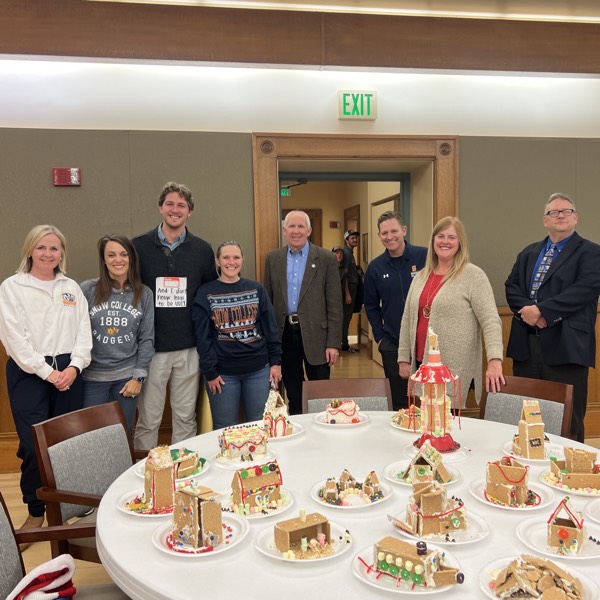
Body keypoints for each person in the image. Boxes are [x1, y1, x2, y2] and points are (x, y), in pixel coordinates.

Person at [0, 225, 92, 531]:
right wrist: (47, 372)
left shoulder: (71, 288)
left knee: (65, 443)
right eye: (41, 247)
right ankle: (36, 511)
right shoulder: (13, 287)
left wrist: (74, 367)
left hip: (68, 371)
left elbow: (83, 334)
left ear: (62, 253)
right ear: (29, 250)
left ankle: (67, 507)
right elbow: (14, 339)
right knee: (32, 444)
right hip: (29, 373)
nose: (48, 254)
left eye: (54, 248)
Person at [505, 193, 600, 442]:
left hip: (567, 347)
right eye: (553, 212)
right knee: (528, 416)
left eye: (566, 211)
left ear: (575, 218)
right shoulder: (529, 252)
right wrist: (530, 312)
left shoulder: (591, 253)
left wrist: (543, 311)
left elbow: (585, 289)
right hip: (527, 345)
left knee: (568, 419)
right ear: (544, 221)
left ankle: (572, 474)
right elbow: (512, 286)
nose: (560, 215)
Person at [132, 182, 217, 450]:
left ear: (189, 212)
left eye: (182, 205)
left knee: (184, 417)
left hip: (189, 348)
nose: (175, 209)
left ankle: (183, 474)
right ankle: (145, 476)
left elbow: (208, 296)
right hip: (152, 347)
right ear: (160, 208)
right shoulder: (138, 247)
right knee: (148, 418)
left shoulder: (203, 250)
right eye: (170, 204)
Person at [398, 216, 504, 407]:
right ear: (433, 241)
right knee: (426, 424)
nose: (445, 241)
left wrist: (495, 359)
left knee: (448, 425)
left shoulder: (473, 276)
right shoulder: (421, 276)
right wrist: (403, 358)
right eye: (440, 236)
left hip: (455, 366)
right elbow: (407, 319)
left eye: (452, 237)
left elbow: (490, 320)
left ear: (460, 243)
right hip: (423, 364)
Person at [192, 241, 282, 429]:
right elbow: (203, 337)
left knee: (258, 425)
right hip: (223, 375)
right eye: (226, 257)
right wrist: (210, 372)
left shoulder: (256, 289)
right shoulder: (205, 293)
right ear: (217, 261)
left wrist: (275, 363)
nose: (231, 262)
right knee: (225, 427)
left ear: (242, 260)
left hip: (259, 370)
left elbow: (270, 328)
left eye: (236, 257)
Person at [263, 210, 342, 415]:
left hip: (318, 336)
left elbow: (335, 304)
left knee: (319, 393)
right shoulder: (273, 259)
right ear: (284, 230)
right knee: (294, 392)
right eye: (291, 226)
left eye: (300, 227)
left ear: (309, 230)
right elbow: (268, 304)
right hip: (285, 334)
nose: (296, 231)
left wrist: (333, 342)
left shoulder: (326, 259)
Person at [80, 235, 155, 437]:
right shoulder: (87, 289)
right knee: (91, 436)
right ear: (103, 260)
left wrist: (138, 378)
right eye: (111, 255)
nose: (117, 260)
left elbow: (146, 339)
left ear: (131, 258)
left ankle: (122, 471)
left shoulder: (144, 294)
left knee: (123, 434)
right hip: (92, 378)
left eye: (123, 254)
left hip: (126, 379)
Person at [364, 211, 427, 410]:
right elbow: (371, 306)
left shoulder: (425, 257)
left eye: (394, 231)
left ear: (404, 230)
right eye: (384, 233)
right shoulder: (375, 267)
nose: (389, 236)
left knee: (429, 397)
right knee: (399, 400)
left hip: (426, 341)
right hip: (392, 341)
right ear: (379, 236)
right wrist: (380, 337)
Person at [341, 230, 360, 352]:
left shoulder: (350, 252)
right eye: (352, 238)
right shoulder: (347, 253)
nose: (354, 240)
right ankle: (344, 345)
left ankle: (344, 343)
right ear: (346, 240)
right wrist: (347, 294)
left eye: (355, 238)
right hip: (350, 288)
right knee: (346, 317)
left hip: (354, 286)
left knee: (347, 317)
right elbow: (345, 274)